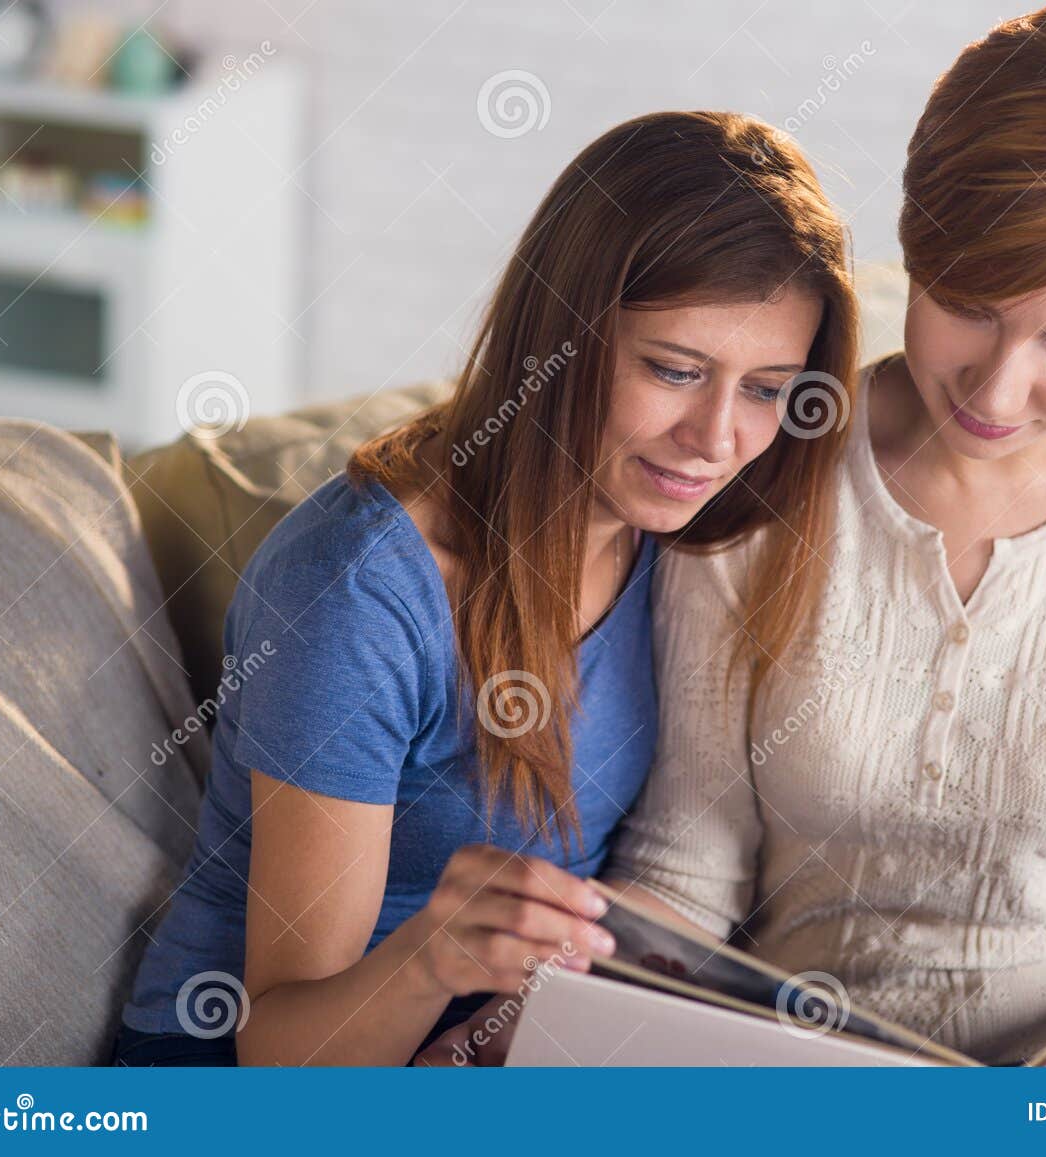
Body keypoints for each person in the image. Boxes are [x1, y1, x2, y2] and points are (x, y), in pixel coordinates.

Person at [605, 0, 1046, 1067]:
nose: (998, 386)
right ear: (914, 239)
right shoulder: (766, 470)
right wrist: (598, 978)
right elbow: (686, 868)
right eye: (966, 303)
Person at [110, 109, 859, 1066]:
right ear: (562, 338)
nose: (716, 439)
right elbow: (283, 1058)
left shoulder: (683, 539)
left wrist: (502, 1025)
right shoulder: (360, 591)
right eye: (675, 370)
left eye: (765, 389)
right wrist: (434, 959)